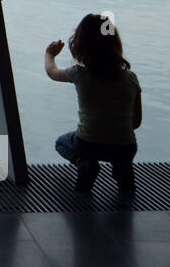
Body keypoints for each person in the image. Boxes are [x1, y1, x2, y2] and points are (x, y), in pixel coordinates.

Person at [43, 13, 142, 193]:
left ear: (80, 47)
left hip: (88, 143)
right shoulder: (131, 78)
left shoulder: (78, 74)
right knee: (123, 163)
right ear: (115, 46)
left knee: (61, 142)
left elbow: (52, 72)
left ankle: (85, 163)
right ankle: (122, 170)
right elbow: (135, 122)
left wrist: (50, 54)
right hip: (125, 146)